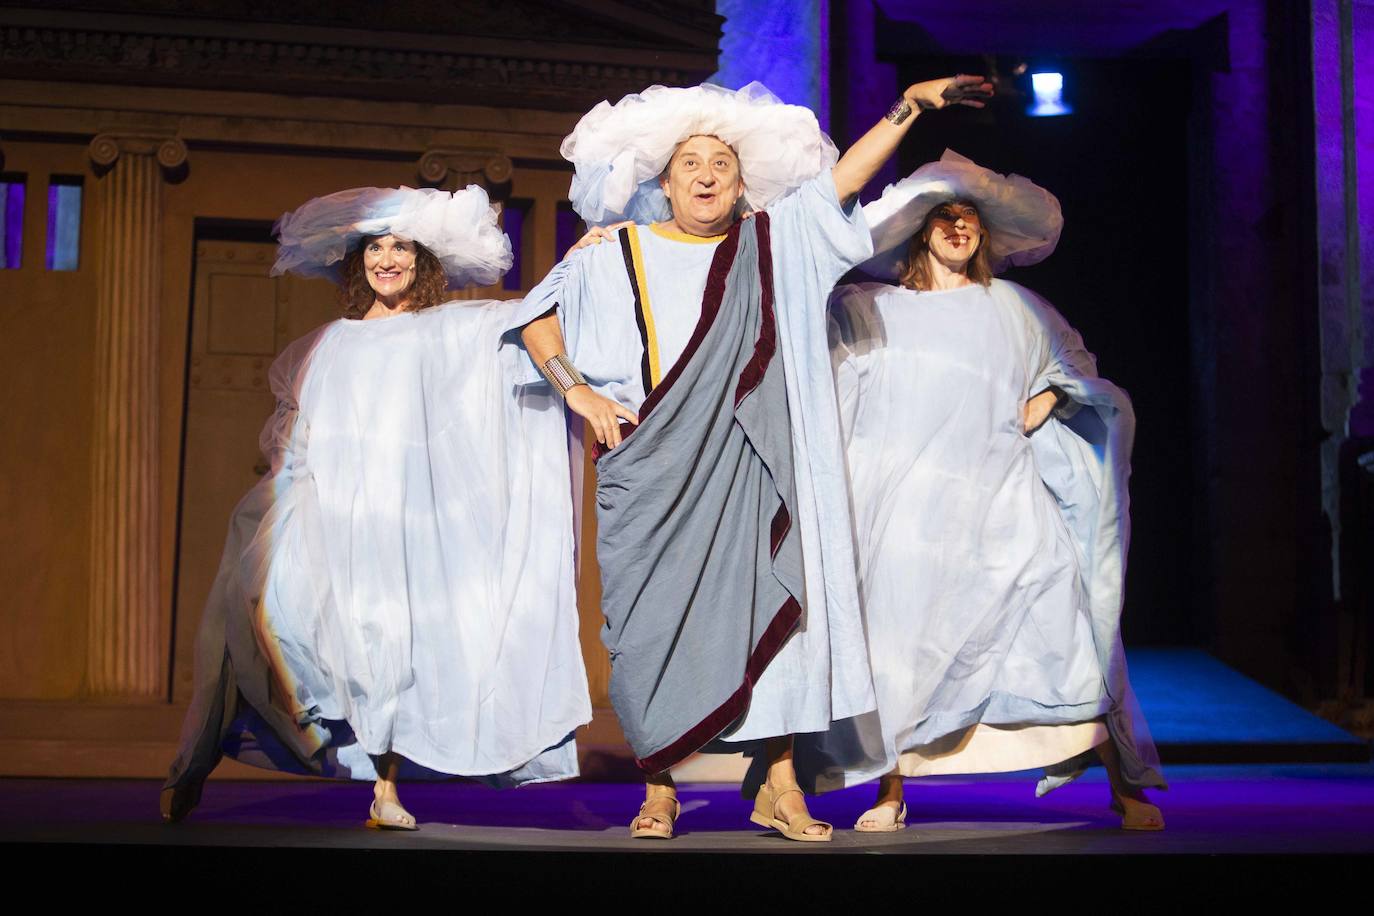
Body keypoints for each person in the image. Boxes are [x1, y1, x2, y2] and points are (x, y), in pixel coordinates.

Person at [505, 78, 992, 841]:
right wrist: (578, 392)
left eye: (721, 165)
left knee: (781, 610)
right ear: (663, 182)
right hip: (650, 465)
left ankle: (781, 783)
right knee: (643, 632)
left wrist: (909, 108)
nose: (705, 175)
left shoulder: (774, 241)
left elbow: (844, 178)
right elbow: (537, 319)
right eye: (689, 163)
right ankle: (658, 788)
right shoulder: (616, 250)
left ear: (742, 183)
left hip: (757, 458)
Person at [161, 185, 591, 829]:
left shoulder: (451, 328)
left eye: (400, 247)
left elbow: (530, 317)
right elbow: (297, 437)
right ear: (357, 260)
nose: (387, 259)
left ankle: (385, 793)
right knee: (252, 620)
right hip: (322, 515)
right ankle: (196, 759)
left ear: (423, 260)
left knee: (386, 648)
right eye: (375, 248)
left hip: (401, 523)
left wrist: (580, 262)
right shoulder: (328, 344)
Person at [824, 150, 1166, 832]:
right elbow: (826, 387)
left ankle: (1126, 783)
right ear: (921, 230)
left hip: (1005, 499)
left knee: (1068, 632)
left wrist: (1052, 392)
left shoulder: (1014, 305)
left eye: (970, 219)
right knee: (900, 642)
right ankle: (890, 788)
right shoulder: (870, 308)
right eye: (945, 216)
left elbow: (1081, 372)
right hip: (907, 511)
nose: (959, 227)